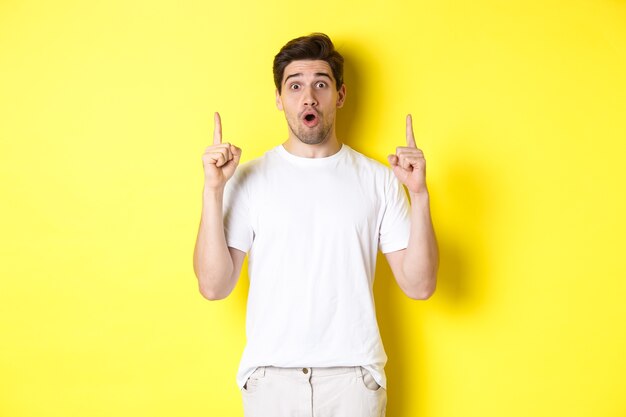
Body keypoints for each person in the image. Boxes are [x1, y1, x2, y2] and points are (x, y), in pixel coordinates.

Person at [193, 33, 438, 417]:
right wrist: (213, 190)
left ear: (339, 95)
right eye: (295, 86)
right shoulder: (248, 179)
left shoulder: (378, 179)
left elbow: (420, 285)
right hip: (271, 382)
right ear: (279, 98)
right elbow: (213, 285)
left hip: (353, 382)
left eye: (321, 84)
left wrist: (420, 195)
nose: (308, 96)